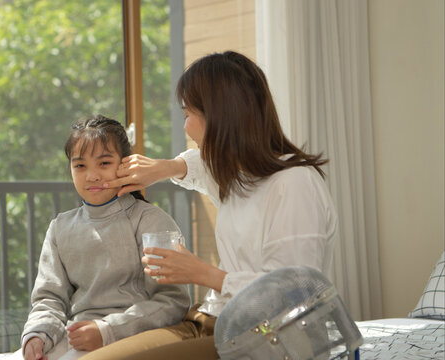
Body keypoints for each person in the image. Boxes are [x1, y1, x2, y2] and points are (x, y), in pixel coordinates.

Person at [80, 51, 338, 360]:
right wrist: (166, 168)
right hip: (209, 320)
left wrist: (203, 273)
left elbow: (291, 293)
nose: (186, 128)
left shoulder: (293, 186)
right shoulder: (240, 177)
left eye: (189, 114)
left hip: (264, 337)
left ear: (220, 115)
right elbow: (200, 167)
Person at [19, 115, 191, 360]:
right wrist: (39, 335)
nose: (92, 176)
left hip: (134, 341)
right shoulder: (60, 228)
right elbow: (50, 298)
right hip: (76, 338)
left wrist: (107, 330)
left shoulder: (152, 222)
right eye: (80, 166)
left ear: (125, 164)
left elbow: (172, 301)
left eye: (104, 163)